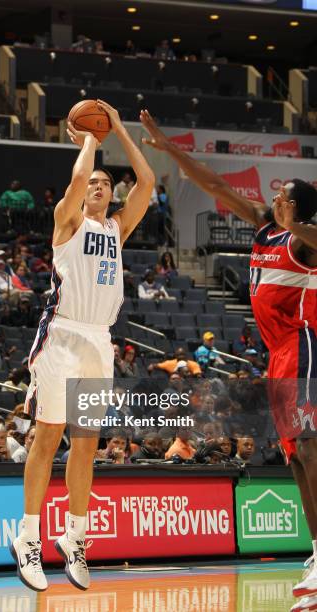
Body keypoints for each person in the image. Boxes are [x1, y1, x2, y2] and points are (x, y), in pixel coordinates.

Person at [140, 109, 317, 607]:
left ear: (298, 208)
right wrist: (168, 147)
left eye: (283, 196)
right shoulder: (265, 229)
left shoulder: (303, 247)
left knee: (309, 450)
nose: (273, 198)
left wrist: (299, 226)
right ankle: (316, 551)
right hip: (277, 354)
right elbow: (214, 182)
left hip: (304, 346)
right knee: (295, 461)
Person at [11, 99, 154, 592]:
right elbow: (75, 183)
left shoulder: (117, 228)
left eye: (104, 184)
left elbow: (149, 184)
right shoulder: (66, 221)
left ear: (111, 196)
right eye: (93, 181)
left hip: (99, 342)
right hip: (62, 335)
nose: (97, 185)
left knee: (87, 443)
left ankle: (74, 537)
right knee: (48, 435)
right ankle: (28, 535)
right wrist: (90, 139)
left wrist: (119, 129)